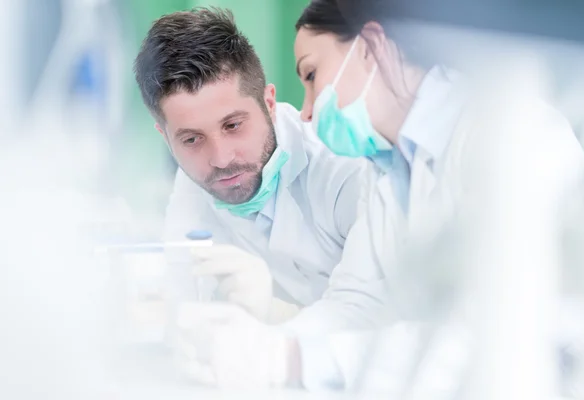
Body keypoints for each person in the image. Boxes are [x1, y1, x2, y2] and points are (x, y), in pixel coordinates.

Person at [173, 0, 584, 391]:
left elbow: (495, 333)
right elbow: (357, 302)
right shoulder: (386, 169)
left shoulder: (511, 137)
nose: (307, 110)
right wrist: (260, 345)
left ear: (370, 47)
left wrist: (289, 357)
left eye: (312, 75)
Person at [133, 7, 375, 325]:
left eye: (233, 125)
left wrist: (274, 313)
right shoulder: (190, 185)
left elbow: (382, 321)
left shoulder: (344, 167)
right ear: (166, 138)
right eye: (192, 140)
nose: (220, 159)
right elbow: (181, 297)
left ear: (269, 103)